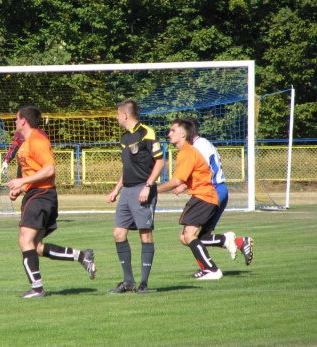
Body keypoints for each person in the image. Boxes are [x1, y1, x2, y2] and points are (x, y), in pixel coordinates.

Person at [7, 105, 96, 298]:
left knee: (24, 240)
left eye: (16, 118)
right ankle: (82, 256)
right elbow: (35, 173)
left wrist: (22, 181)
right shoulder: (26, 142)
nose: (14, 122)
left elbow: (49, 170)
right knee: (36, 246)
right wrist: (20, 189)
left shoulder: (37, 139)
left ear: (24, 120)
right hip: (37, 194)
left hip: (41, 196)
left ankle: (37, 289)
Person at [173, 117, 254, 274]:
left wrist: (184, 184)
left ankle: (213, 266)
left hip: (213, 190)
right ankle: (234, 245)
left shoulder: (197, 147)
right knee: (193, 237)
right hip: (218, 189)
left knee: (189, 236)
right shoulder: (203, 143)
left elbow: (206, 170)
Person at [107, 100, 165, 294]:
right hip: (127, 191)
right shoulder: (124, 138)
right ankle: (128, 281)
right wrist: (116, 189)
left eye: (117, 114)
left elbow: (160, 162)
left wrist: (147, 186)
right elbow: (128, 168)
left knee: (145, 234)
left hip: (143, 189)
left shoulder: (146, 133)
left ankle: (143, 283)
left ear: (125, 115)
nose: (116, 117)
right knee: (118, 233)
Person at [157, 118, 224, 280]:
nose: (169, 133)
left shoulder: (186, 152)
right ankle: (225, 241)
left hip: (204, 197)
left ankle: (212, 270)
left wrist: (153, 190)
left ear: (183, 134)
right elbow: (195, 174)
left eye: (173, 130)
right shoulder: (186, 151)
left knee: (189, 235)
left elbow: (176, 180)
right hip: (205, 196)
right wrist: (184, 185)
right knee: (186, 237)